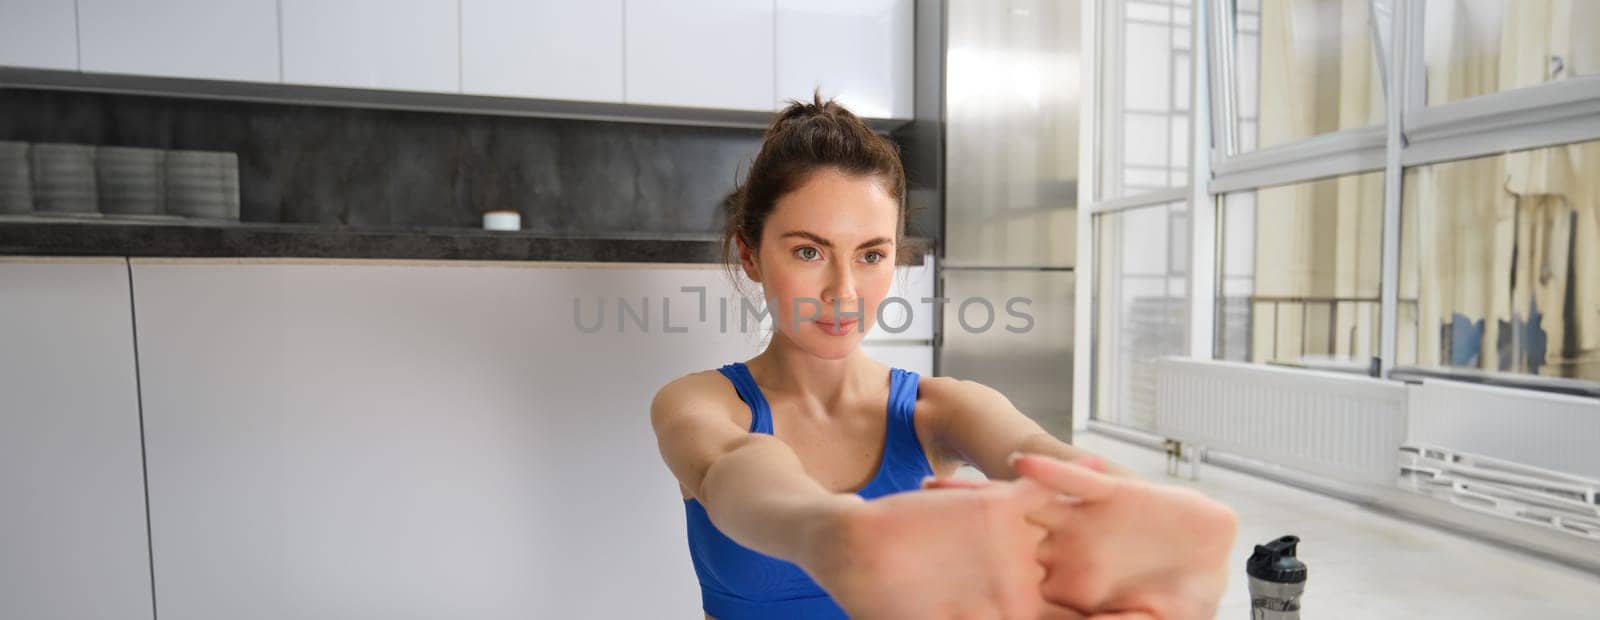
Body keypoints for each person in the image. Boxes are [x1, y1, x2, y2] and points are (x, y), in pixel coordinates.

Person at [650, 94, 1238, 619]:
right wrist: (836, 537)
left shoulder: (940, 411)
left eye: (871, 255)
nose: (844, 292)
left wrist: (1138, 510)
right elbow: (735, 469)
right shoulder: (702, 403)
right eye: (809, 251)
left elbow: (1040, 455)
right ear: (751, 255)